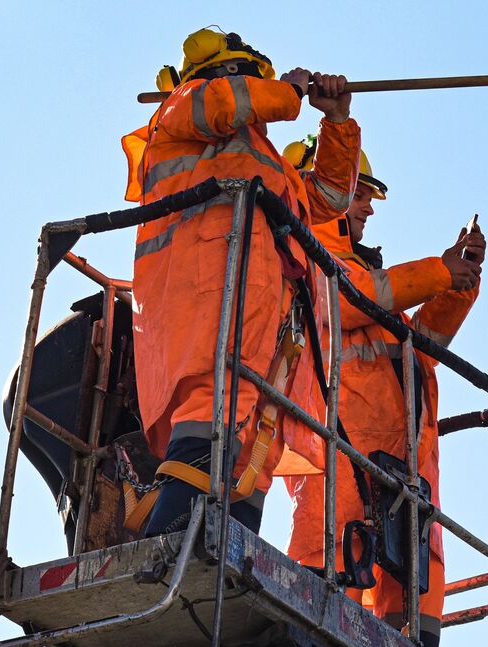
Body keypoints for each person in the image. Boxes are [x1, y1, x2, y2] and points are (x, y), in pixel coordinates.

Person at [121, 28, 359, 535]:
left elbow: (330, 200)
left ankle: (232, 550)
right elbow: (224, 103)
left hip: (270, 313)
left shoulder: (266, 160)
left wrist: (337, 122)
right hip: (209, 297)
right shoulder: (183, 109)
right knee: (213, 409)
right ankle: (169, 539)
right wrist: (290, 92)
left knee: (258, 440)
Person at [281, 139, 486, 647]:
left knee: (416, 626)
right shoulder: (308, 259)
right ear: (319, 186)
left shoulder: (367, 278)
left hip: (404, 476)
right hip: (342, 467)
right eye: (359, 194)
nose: (368, 208)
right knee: (323, 615)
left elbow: (421, 350)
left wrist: (457, 284)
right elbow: (349, 304)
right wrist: (438, 272)